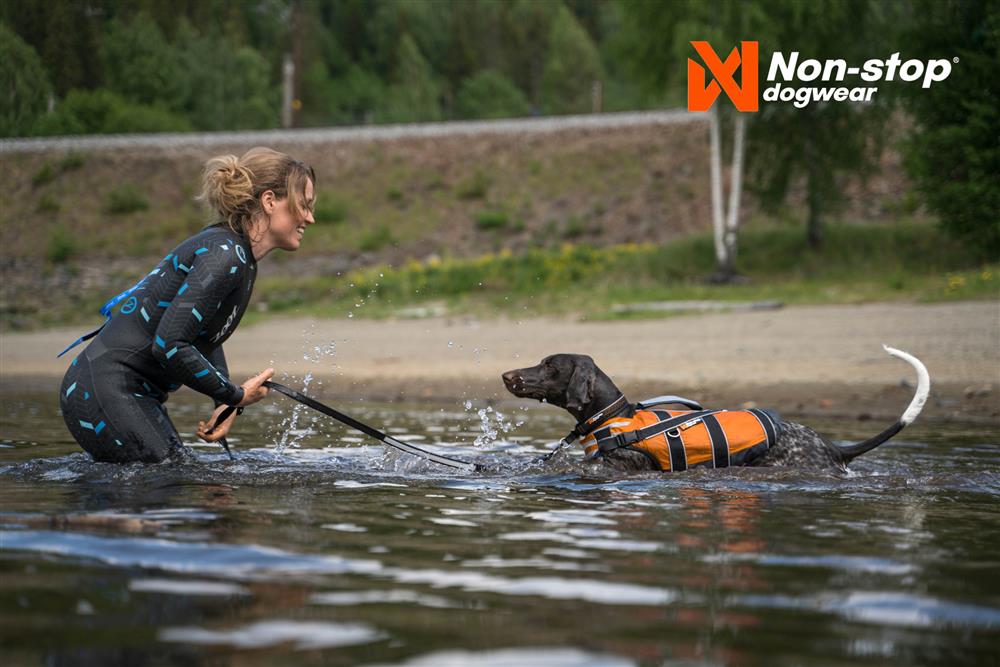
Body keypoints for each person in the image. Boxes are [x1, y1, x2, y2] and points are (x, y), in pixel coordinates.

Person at [59, 147, 316, 463]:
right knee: (167, 479)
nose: (309, 217)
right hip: (105, 389)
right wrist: (234, 394)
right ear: (269, 201)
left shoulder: (237, 255)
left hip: (116, 391)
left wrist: (223, 399)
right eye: (303, 205)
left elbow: (204, 335)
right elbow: (169, 345)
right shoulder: (226, 255)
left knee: (168, 477)